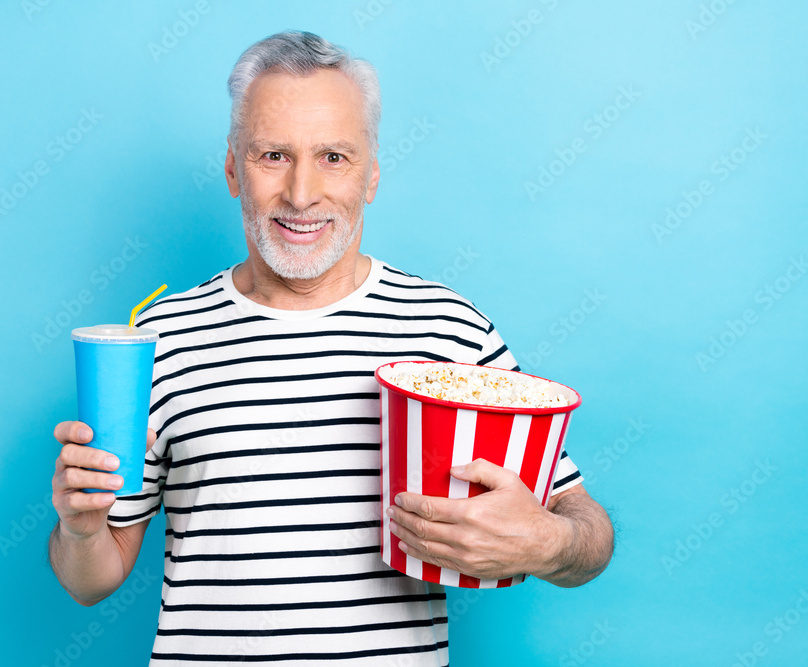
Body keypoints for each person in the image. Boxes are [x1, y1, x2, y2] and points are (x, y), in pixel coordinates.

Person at [49, 31, 614, 665]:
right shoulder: (160, 338)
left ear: (371, 175)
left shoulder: (449, 332)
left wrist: (548, 543)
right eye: (272, 155)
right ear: (234, 168)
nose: (300, 193)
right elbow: (90, 582)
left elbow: (585, 534)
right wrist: (80, 526)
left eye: (334, 158)